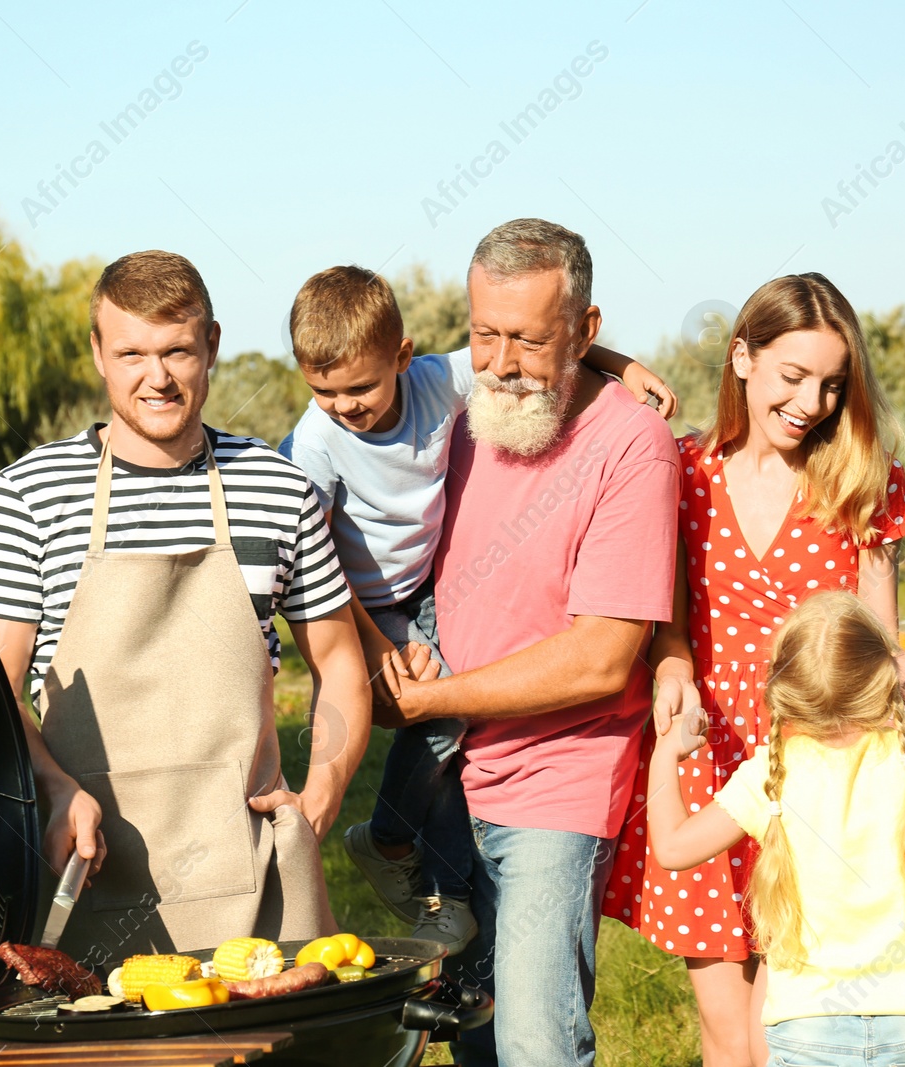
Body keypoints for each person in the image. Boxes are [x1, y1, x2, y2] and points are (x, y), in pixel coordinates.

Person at [604, 273, 905, 1066]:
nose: (811, 401)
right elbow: (673, 630)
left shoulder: (862, 478)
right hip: (712, 762)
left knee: (787, 1026)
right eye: (793, 376)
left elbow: (880, 646)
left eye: (831, 383)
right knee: (729, 1032)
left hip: (820, 765)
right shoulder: (683, 471)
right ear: (742, 358)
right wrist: (671, 674)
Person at [0, 250, 371, 966]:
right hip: (83, 870)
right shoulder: (32, 493)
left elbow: (340, 664)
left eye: (178, 350)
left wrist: (322, 792)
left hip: (256, 886)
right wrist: (56, 789)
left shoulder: (279, 489)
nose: (157, 377)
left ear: (211, 345)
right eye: (131, 353)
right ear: (97, 353)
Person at [276, 265, 675, 956]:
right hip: (361, 601)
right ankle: (395, 842)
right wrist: (372, 645)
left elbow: (527, 352)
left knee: (451, 724)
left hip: (421, 586)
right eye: (324, 391)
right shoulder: (314, 446)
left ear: (403, 357)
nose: (345, 406)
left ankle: (433, 876)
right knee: (439, 711)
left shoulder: (438, 380)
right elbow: (310, 562)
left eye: (361, 387)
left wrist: (623, 365)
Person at [375, 218, 680, 1067]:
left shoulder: (632, 446)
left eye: (529, 339)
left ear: (585, 329)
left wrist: (426, 700)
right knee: (471, 1038)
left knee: (535, 1041)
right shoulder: (460, 411)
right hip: (447, 779)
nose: (502, 361)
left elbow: (602, 657)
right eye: (483, 334)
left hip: (558, 781)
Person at [645, 591, 905, 1067]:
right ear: (884, 680)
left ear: (781, 687)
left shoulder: (768, 774)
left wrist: (666, 753)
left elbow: (671, 847)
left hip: (806, 1029)